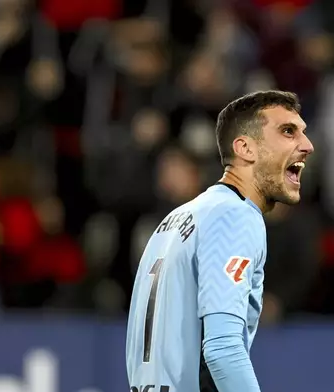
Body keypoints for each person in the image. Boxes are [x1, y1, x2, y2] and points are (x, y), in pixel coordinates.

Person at [125, 90, 314, 392]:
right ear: (245, 148)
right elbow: (222, 350)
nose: (307, 145)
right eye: (288, 132)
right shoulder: (235, 215)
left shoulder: (176, 219)